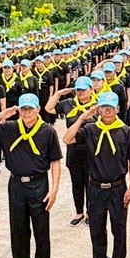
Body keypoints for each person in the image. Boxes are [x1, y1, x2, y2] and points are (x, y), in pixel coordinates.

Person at [0, 93, 63, 258]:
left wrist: (55, 188)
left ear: (38, 110)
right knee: (18, 229)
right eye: (23, 109)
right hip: (16, 185)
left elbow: (55, 161)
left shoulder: (47, 131)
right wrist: (2, 114)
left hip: (39, 184)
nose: (26, 113)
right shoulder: (9, 128)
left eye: (30, 109)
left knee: (41, 229)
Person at [63, 90, 130, 258]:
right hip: (95, 188)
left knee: (119, 229)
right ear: (98, 109)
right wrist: (82, 117)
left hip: (118, 187)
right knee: (96, 228)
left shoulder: (125, 132)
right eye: (104, 107)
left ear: (117, 109)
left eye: (111, 107)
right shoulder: (89, 130)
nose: (107, 111)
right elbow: (67, 139)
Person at [47, 77, 97, 226]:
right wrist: (58, 94)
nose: (80, 92)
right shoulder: (69, 104)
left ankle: (90, 212)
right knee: (77, 183)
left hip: (92, 151)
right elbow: (48, 108)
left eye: (83, 89)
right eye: (78, 90)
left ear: (91, 89)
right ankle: (79, 212)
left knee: (91, 183)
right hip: (73, 150)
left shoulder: (96, 106)